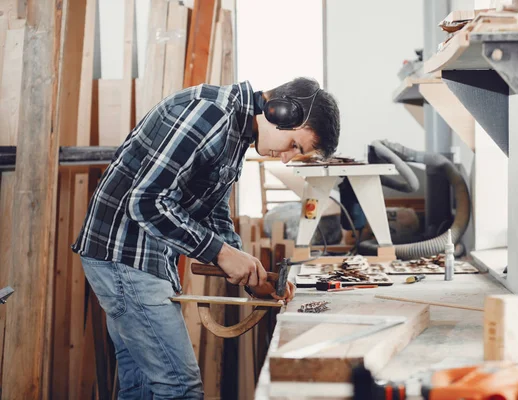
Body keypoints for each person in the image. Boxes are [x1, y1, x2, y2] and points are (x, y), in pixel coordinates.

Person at [71, 77, 341, 399]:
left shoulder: (237, 131)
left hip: (139, 256)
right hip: (124, 256)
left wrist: (249, 271)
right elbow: (145, 202)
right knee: (180, 388)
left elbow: (212, 210)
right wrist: (223, 254)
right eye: (295, 145)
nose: (286, 158)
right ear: (280, 112)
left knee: (141, 386)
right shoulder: (210, 114)